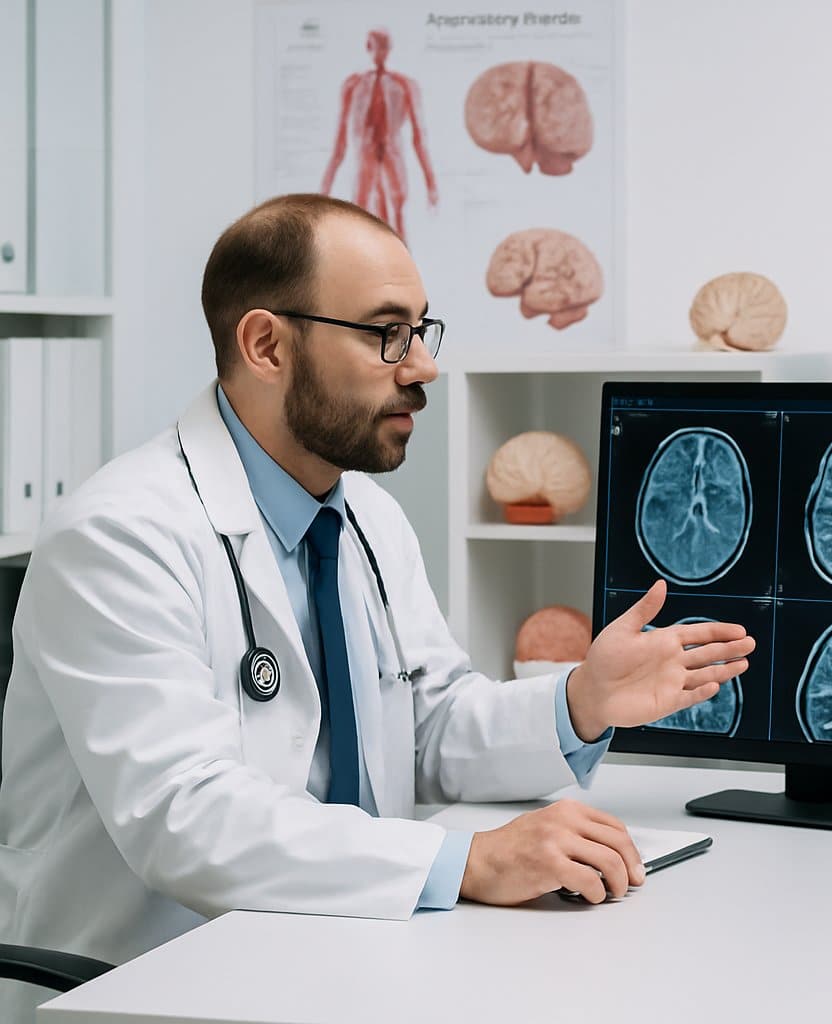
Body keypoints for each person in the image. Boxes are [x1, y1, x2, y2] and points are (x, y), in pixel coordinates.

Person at [0, 194, 753, 997]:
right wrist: (471, 860)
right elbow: (186, 818)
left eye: (421, 331)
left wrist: (578, 702)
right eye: (386, 333)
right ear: (265, 345)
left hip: (340, 955)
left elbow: (427, 725)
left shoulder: (366, 520)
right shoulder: (119, 537)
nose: (423, 367)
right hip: (150, 983)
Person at [319, 28, 438, 242]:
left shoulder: (405, 85)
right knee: (361, 216)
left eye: (385, 46)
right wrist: (324, 188)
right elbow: (340, 142)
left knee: (397, 216)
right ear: (368, 47)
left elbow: (419, 138)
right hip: (365, 157)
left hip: (393, 156)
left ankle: (401, 270)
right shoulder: (353, 85)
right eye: (377, 45)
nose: (381, 52)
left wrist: (431, 183)